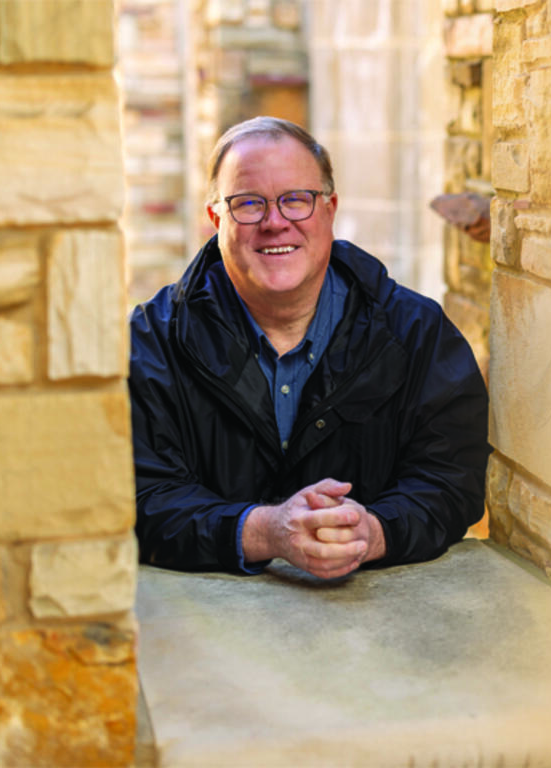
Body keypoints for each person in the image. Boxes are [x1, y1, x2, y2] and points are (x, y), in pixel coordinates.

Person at [129, 116, 490, 580]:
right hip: (205, 637)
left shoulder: (417, 334)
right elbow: (135, 497)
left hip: (378, 633)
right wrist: (264, 531)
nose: (275, 223)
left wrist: (374, 531)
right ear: (216, 219)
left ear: (329, 209)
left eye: (296, 200)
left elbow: (451, 481)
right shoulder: (150, 345)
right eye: (248, 204)